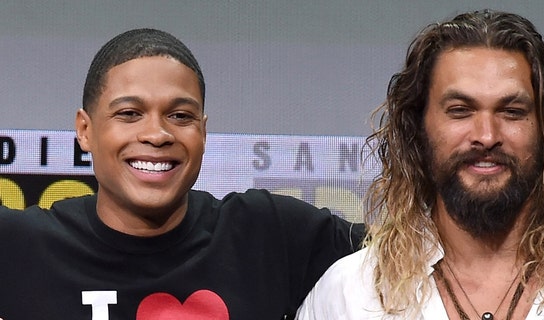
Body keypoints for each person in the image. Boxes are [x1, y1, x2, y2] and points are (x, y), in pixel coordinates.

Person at [297, 9, 544, 319]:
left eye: (512, 112)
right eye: (460, 110)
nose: (487, 135)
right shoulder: (352, 295)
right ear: (418, 127)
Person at [0, 28, 364, 319]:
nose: (157, 135)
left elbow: (411, 252)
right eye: (129, 113)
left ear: (203, 132)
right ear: (85, 130)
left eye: (180, 116)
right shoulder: (19, 247)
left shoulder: (269, 234)